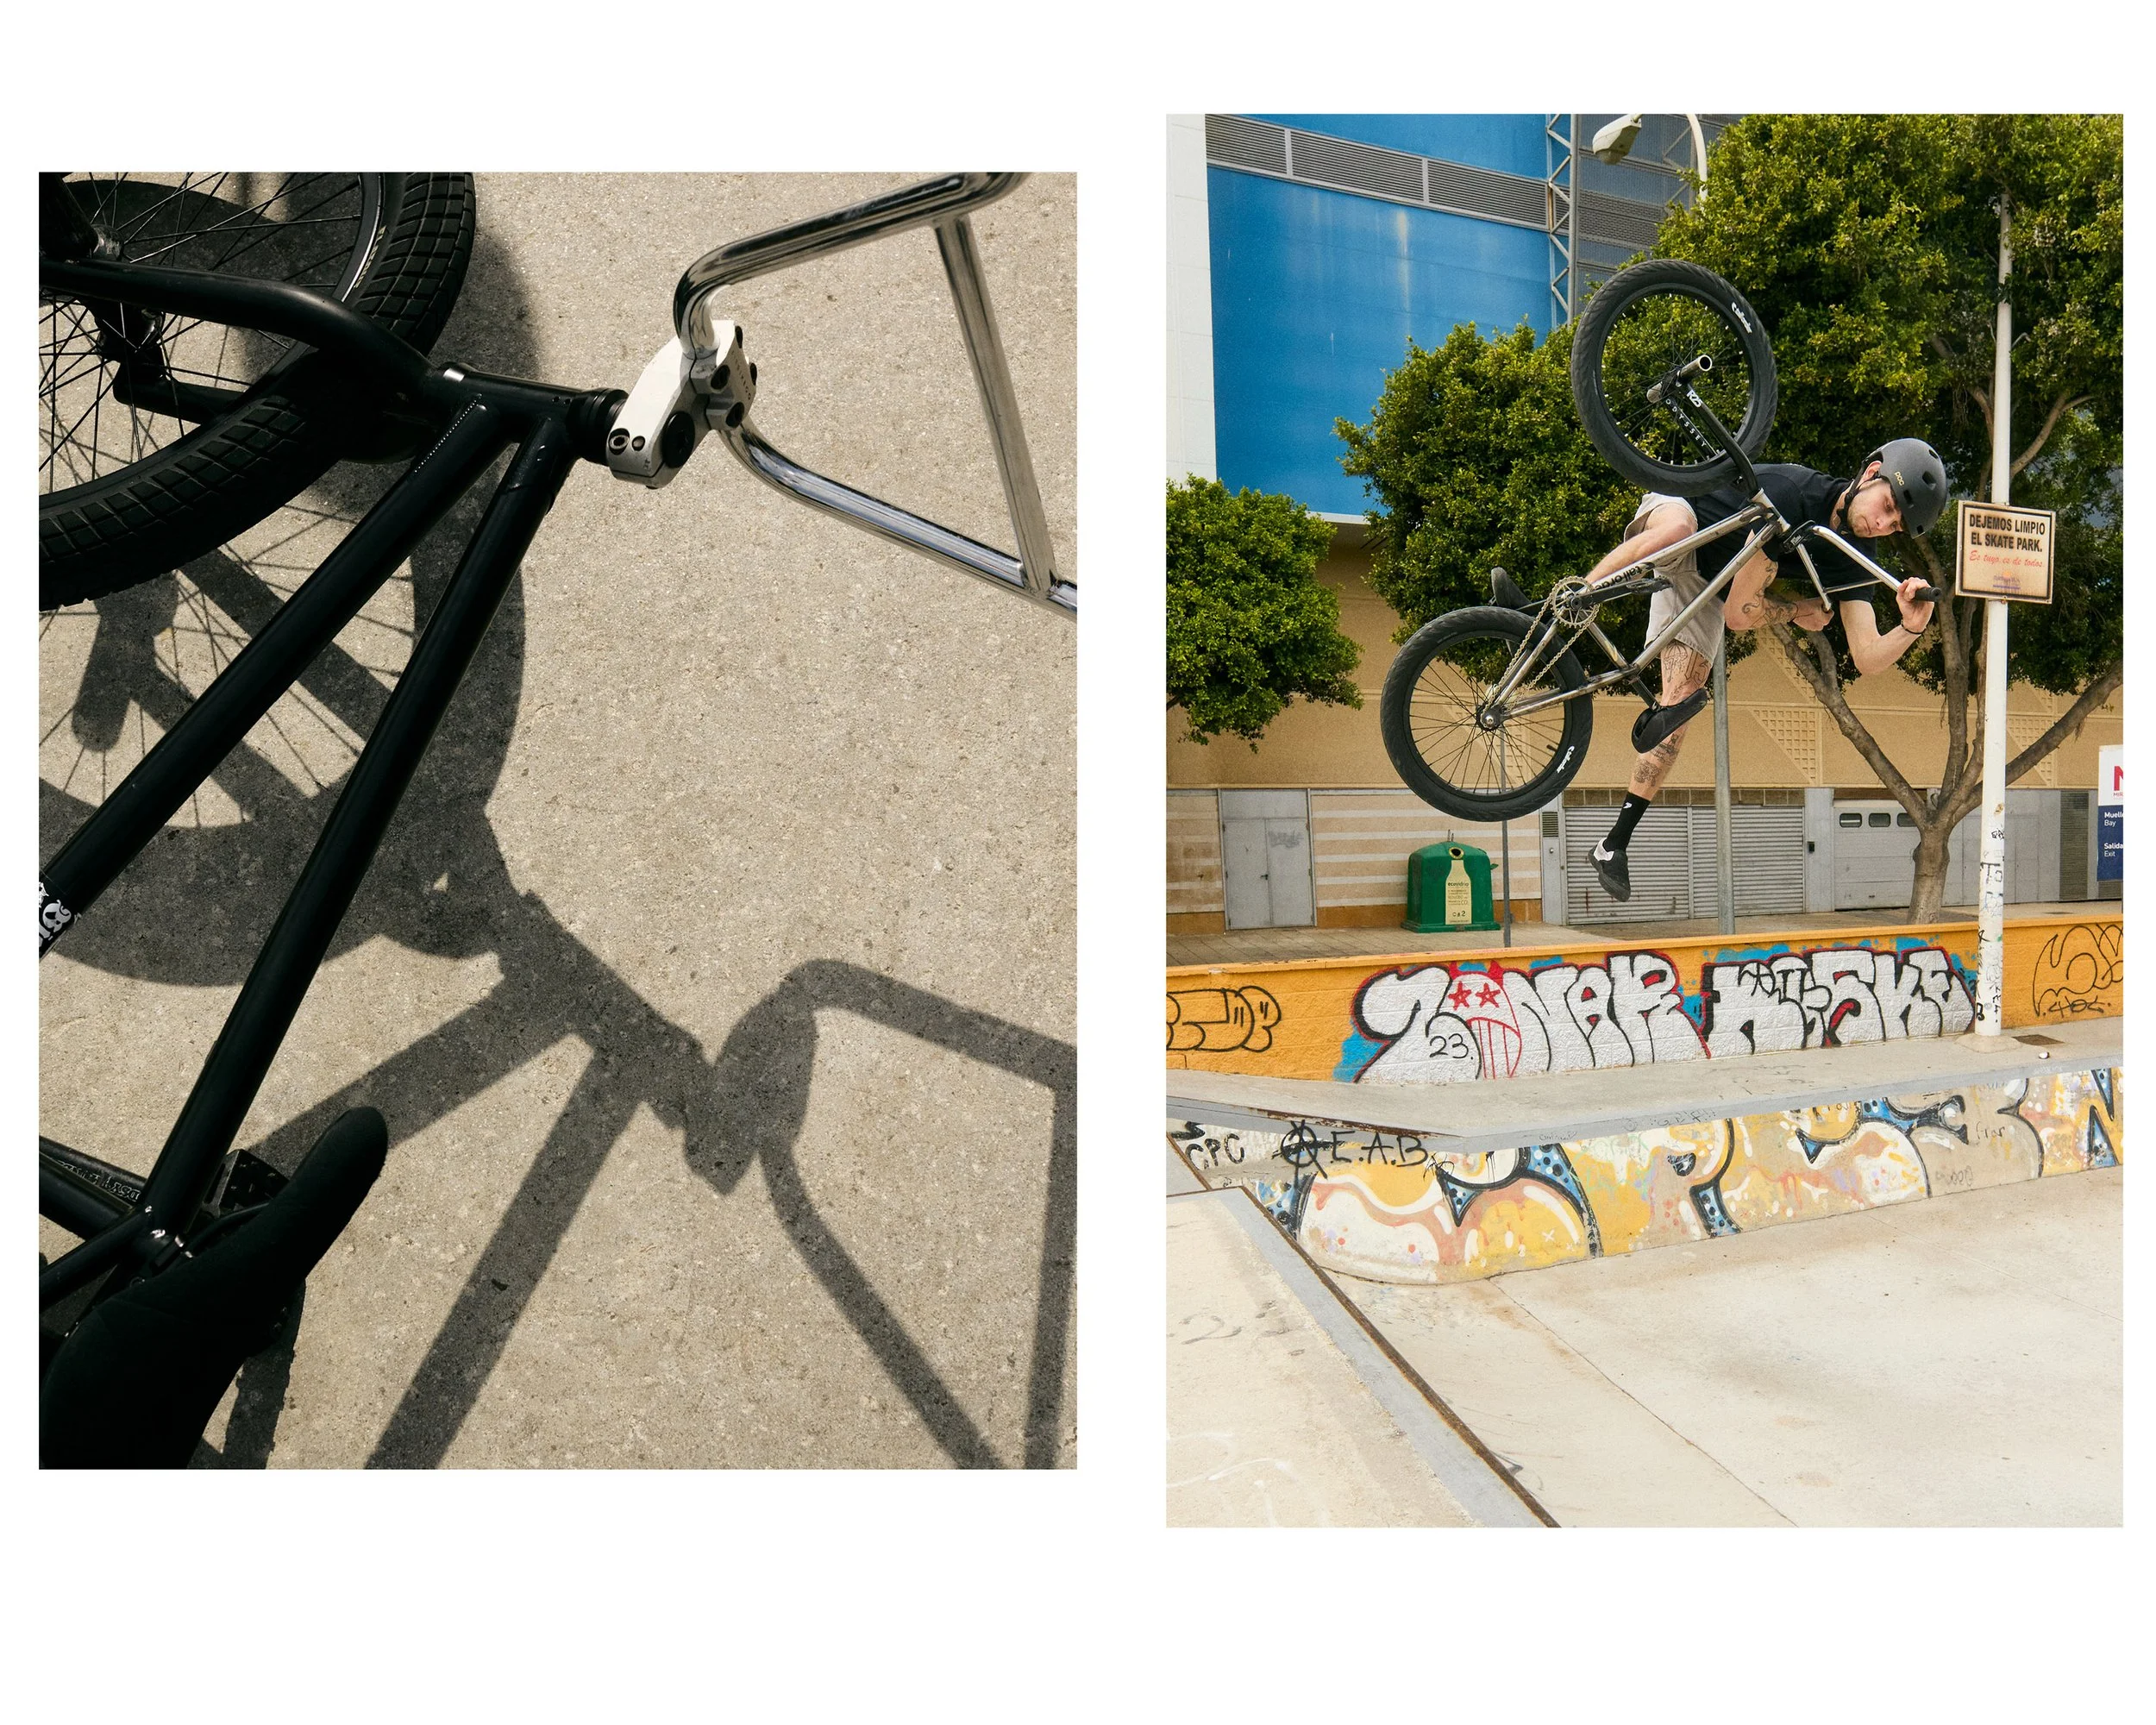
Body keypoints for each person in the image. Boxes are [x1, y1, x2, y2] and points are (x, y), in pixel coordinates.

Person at [1582, 438, 1947, 902]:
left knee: (1677, 715)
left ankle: (1613, 844)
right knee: (1676, 528)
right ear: (1871, 473)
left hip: (1708, 583)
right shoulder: (1792, 494)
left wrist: (1910, 629)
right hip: (1687, 517)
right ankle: (1571, 599)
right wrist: (1797, 611)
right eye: (1888, 505)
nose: (1882, 524)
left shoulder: (1853, 559)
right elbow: (1741, 615)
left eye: (1895, 524)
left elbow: (1867, 656)